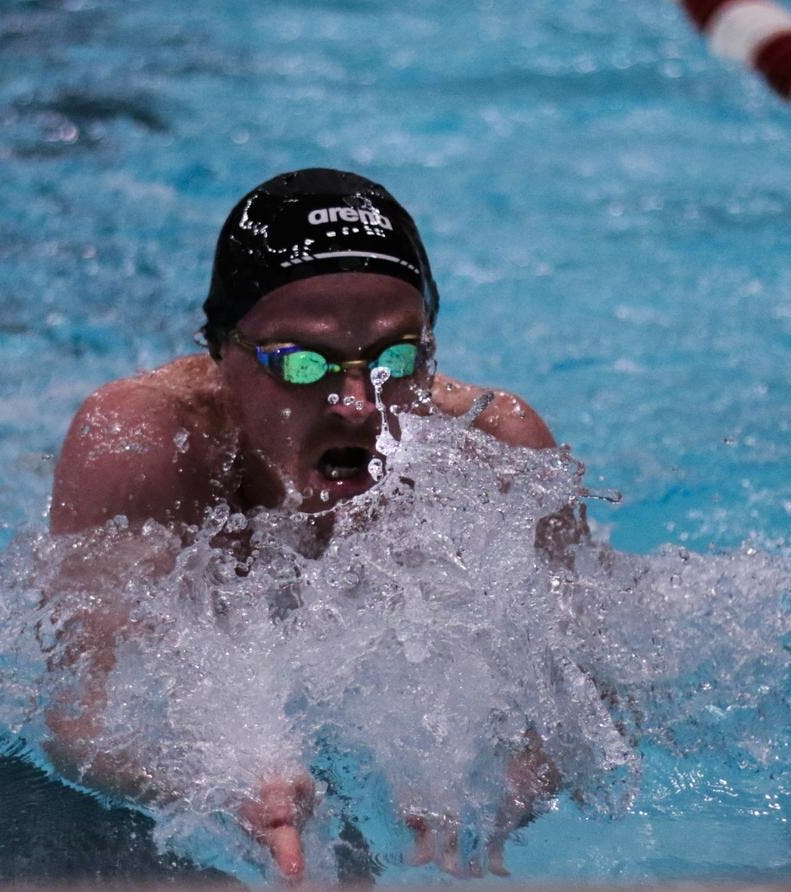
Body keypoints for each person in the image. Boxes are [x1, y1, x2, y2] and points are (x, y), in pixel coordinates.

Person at [41, 168, 572, 882]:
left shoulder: (498, 452)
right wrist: (213, 778)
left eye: (395, 357)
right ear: (221, 352)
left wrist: (505, 777)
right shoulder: (145, 447)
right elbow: (80, 721)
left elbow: (581, 685)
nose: (357, 403)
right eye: (302, 363)